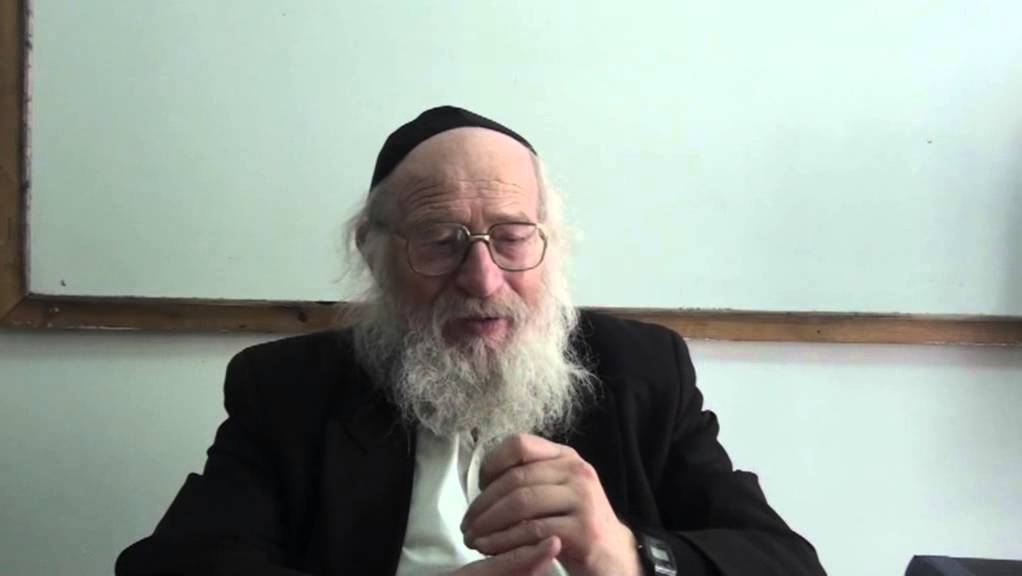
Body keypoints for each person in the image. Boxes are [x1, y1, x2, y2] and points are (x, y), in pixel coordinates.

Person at [116, 106, 826, 576]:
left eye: (512, 238)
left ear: (550, 245)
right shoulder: (289, 389)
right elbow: (177, 567)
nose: (483, 280)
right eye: (439, 241)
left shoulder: (642, 370)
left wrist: (631, 557)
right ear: (375, 255)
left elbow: (785, 562)